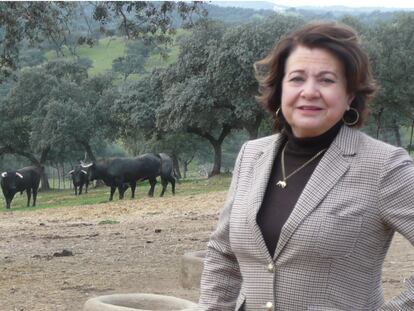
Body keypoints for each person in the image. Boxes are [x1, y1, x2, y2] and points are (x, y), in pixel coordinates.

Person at [198, 21, 414, 311]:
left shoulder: (384, 166)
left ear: (350, 94)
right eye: (297, 79)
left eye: (327, 80)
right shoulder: (252, 154)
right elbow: (223, 252)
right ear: (279, 90)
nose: (309, 91)